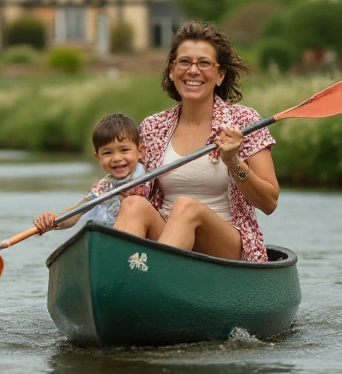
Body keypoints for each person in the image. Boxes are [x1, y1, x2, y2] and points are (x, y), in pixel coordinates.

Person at [113, 21, 279, 262]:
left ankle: (149, 280)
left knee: (186, 207)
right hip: (169, 238)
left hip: (226, 248)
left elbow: (269, 202)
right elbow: (141, 190)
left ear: (220, 75)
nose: (193, 70)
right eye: (184, 62)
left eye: (204, 63)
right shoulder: (153, 127)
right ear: (171, 71)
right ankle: (120, 277)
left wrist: (234, 162)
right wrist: (132, 190)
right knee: (134, 206)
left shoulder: (244, 121)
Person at [33, 113, 149, 234]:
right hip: (112, 239)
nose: (116, 158)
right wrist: (53, 221)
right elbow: (77, 211)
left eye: (124, 150)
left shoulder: (149, 178)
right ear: (98, 157)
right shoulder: (103, 187)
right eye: (107, 153)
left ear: (140, 152)